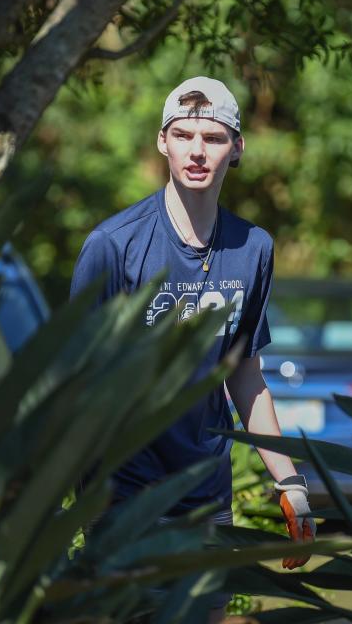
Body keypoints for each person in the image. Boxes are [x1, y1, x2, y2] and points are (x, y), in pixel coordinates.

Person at [71, 76, 315, 617]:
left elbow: (246, 375)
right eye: (183, 135)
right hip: (124, 497)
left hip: (206, 497)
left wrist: (290, 482)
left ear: (237, 148)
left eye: (213, 137)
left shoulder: (253, 248)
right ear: (163, 142)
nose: (197, 151)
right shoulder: (113, 246)